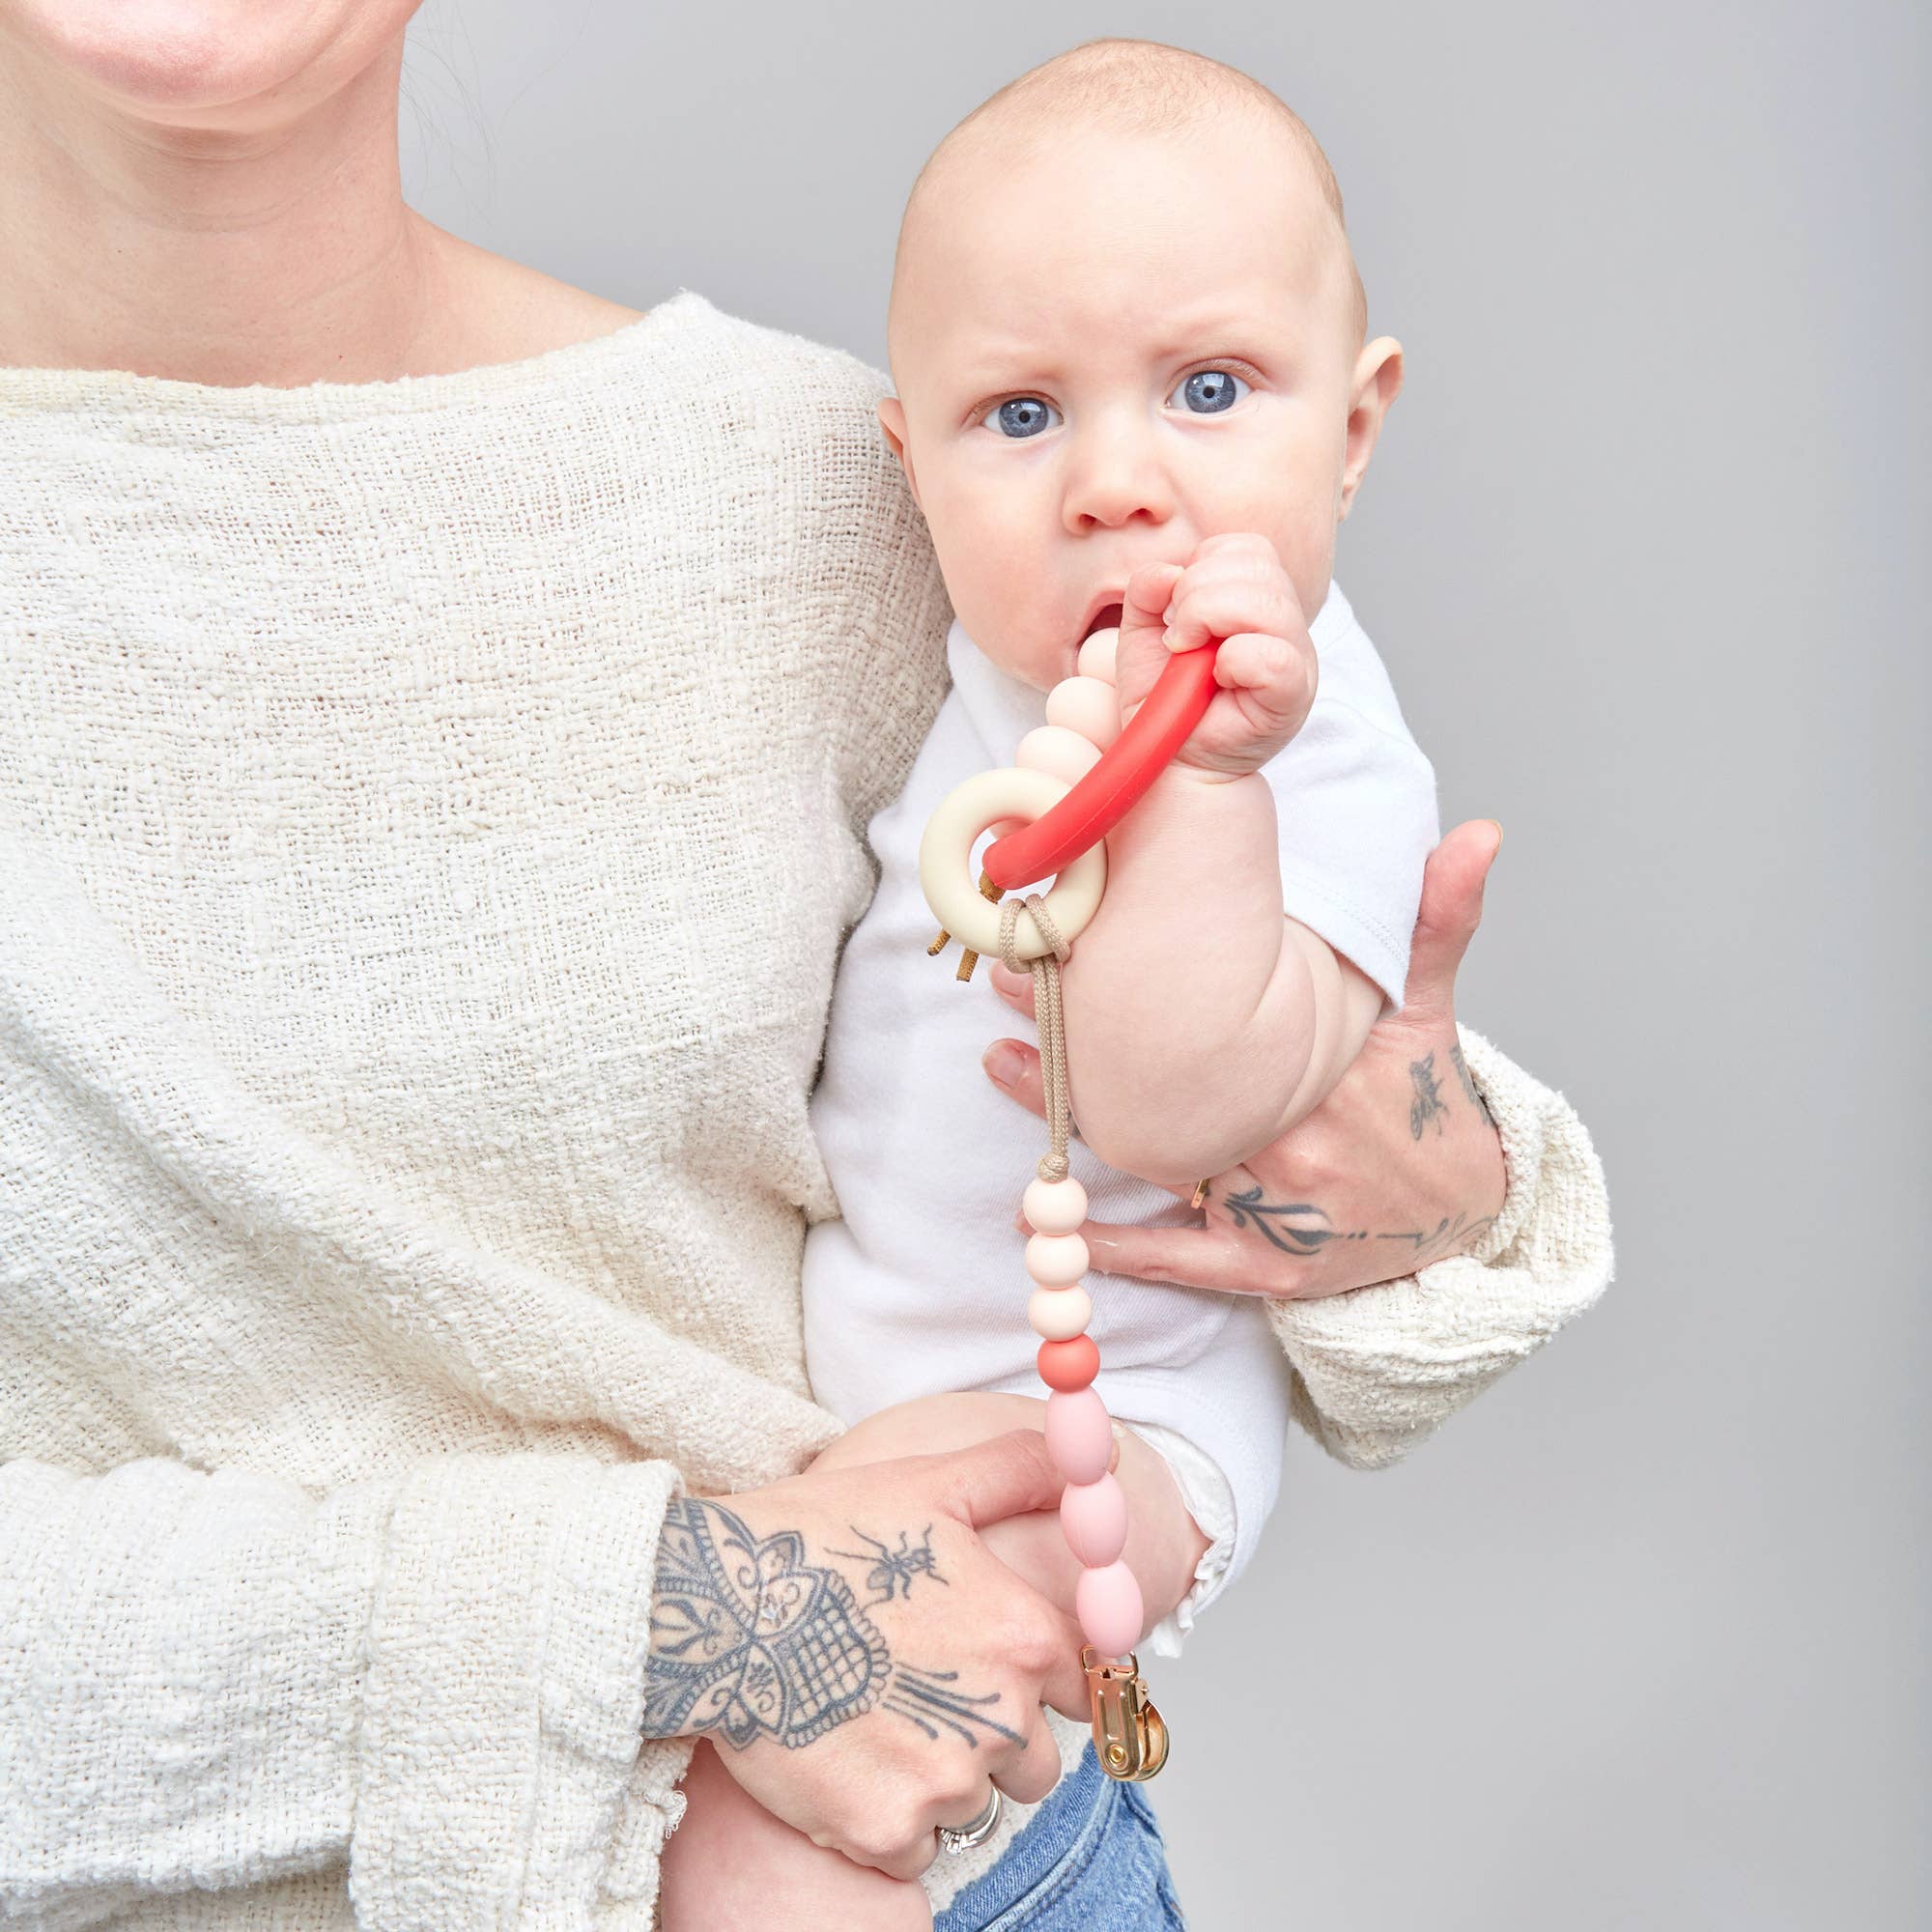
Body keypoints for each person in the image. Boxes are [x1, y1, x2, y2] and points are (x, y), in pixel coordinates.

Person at [0, 10, 1612, 1930]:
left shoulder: (817, 483)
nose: (1116, 469)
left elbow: (1191, 1019)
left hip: (942, 1856)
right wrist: (656, 1617)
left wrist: (1447, 1185)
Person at [657, 42, 1586, 1931]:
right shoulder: (988, 671)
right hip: (891, 1375)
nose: (1114, 484)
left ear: (1352, 426)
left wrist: (1211, 788)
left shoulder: (1306, 754)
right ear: (906, 466)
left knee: (757, 1836)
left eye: (1211, 389)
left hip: (1104, 1430)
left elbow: (1174, 1102)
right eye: (1017, 416)